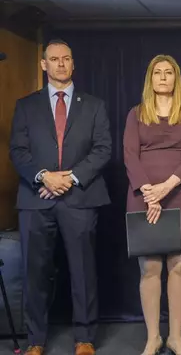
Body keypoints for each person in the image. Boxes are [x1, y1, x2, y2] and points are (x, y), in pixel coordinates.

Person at [9, 39, 112, 355]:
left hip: (80, 197)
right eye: (54, 59)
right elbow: (18, 151)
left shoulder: (93, 105)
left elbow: (103, 148)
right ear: (43, 65)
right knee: (35, 272)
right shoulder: (26, 105)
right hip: (35, 198)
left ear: (73, 63)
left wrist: (69, 178)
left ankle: (85, 338)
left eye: (66, 58)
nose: (61, 64)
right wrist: (44, 176)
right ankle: (36, 340)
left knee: (83, 271)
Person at [123, 55, 181, 355]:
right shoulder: (136, 113)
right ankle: (153, 337)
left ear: (176, 78)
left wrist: (165, 188)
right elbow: (130, 155)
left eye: (169, 72)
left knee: (180, 265)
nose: (163, 77)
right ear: (150, 78)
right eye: (158, 72)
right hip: (142, 196)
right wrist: (148, 192)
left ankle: (176, 338)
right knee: (150, 267)